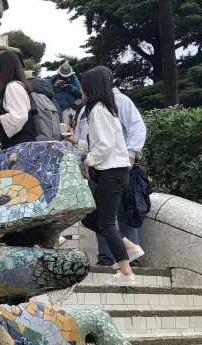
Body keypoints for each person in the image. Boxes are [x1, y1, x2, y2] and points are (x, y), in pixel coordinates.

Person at [66, 67, 144, 286]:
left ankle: (127, 274)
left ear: (92, 87)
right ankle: (128, 244)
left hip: (112, 172)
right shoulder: (103, 109)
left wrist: (88, 161)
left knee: (107, 224)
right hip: (114, 172)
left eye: (82, 84)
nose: (79, 89)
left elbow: (104, 147)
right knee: (91, 218)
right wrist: (78, 144)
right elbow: (98, 143)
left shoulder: (98, 110)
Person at [0, 51, 35, 150]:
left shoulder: (12, 87)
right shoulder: (19, 86)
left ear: (3, 69)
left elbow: (19, 117)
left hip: (18, 149)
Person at [50, 62, 82, 127]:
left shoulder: (73, 78)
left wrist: (70, 86)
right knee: (56, 129)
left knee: (68, 129)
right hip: (55, 108)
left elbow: (79, 93)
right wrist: (54, 86)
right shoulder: (53, 79)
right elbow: (48, 92)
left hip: (69, 108)